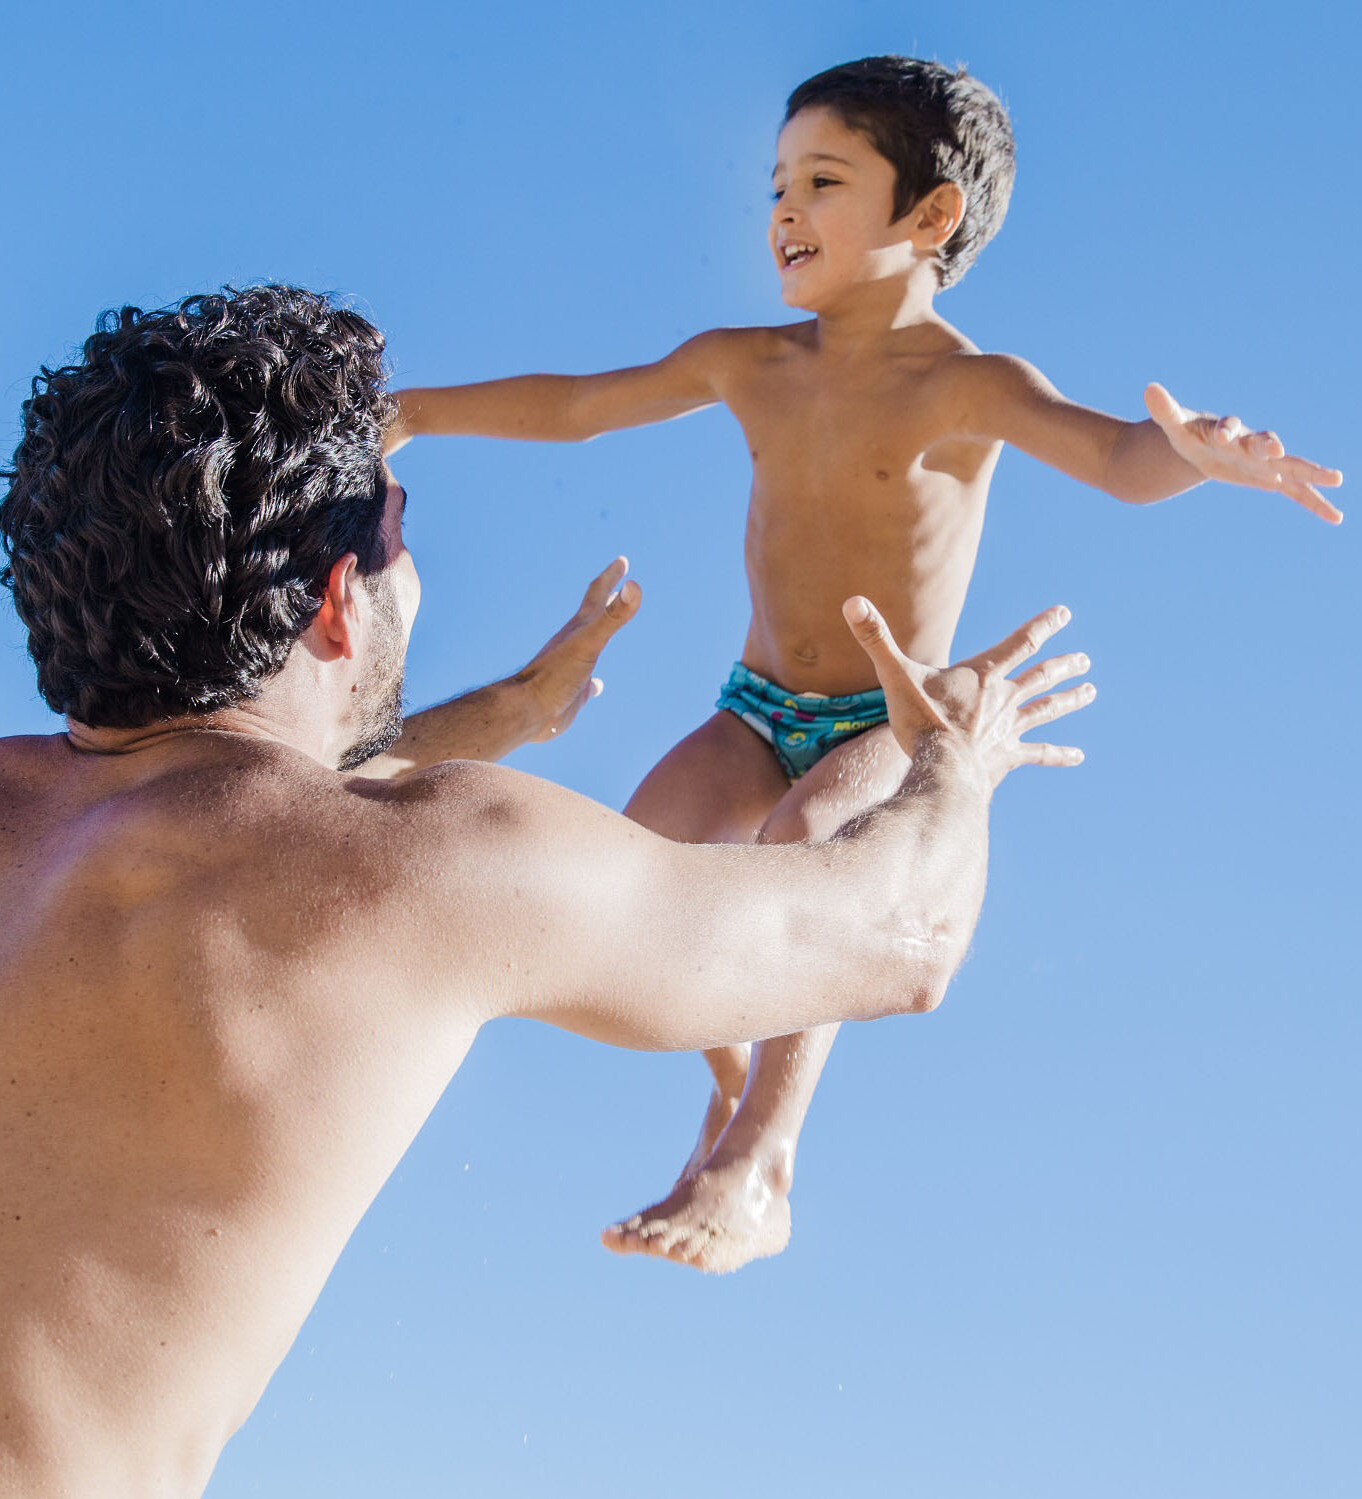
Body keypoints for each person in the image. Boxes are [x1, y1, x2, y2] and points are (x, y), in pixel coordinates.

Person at [0, 284, 1092, 1497]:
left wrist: (503, 713)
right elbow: (899, 932)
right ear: (340, 600)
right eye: (399, 537)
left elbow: (219, 805)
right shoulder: (433, 860)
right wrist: (957, 759)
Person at [386, 54, 1344, 1272]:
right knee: (632, 873)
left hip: (883, 717)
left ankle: (761, 1158)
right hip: (749, 708)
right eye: (776, 185)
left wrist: (1201, 457)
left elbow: (1116, 460)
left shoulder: (965, 382)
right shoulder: (750, 361)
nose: (782, 209)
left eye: (823, 181)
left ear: (929, 214)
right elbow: (581, 403)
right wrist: (410, 409)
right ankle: (726, 1095)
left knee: (803, 853)